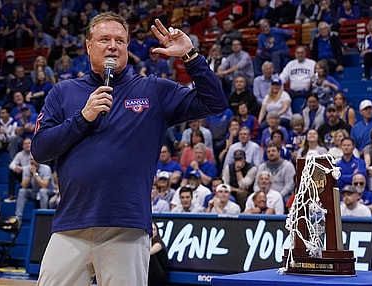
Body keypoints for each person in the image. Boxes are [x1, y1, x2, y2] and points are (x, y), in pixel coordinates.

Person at [31, 13, 227, 286]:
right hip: (71, 224)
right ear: (88, 46)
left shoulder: (153, 90)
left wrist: (190, 56)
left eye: (120, 40)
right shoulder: (64, 92)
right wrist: (82, 117)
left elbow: (215, 103)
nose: (113, 45)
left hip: (126, 227)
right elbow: (39, 150)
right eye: (104, 39)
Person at [15, 156, 55, 221]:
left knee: (42, 191)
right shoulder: (27, 169)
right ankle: (18, 217)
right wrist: (30, 175)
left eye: (34, 159)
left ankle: (43, 215)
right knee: (22, 191)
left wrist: (35, 174)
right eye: (31, 160)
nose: (32, 161)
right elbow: (24, 185)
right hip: (35, 192)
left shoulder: (46, 168)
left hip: (50, 192)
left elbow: (44, 185)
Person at [7, 137, 31, 203]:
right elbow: (11, 164)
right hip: (23, 174)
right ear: (22, 146)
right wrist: (15, 168)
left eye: (29, 143)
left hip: (34, 174)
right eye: (25, 144)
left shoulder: (36, 153)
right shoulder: (20, 154)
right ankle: (11, 195)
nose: (27, 145)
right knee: (11, 172)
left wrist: (22, 168)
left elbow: (36, 165)